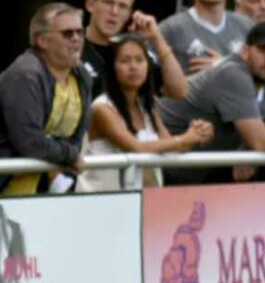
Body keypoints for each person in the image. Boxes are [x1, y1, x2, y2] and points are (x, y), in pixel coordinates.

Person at [157, 21, 265, 184]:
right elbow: (261, 141)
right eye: (263, 50)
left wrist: (247, 149)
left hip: (193, 171)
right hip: (161, 163)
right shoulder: (233, 73)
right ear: (245, 51)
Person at [77, 35, 214, 191]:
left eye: (140, 60)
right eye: (125, 61)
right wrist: (184, 139)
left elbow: (172, 147)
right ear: (111, 67)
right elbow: (138, 148)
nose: (133, 67)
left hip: (142, 202)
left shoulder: (146, 108)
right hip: (100, 201)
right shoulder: (101, 108)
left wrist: (197, 132)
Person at [0, 3, 91, 195]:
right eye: (67, 33)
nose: (76, 38)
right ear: (42, 41)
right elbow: (30, 142)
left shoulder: (82, 75)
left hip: (46, 187)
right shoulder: (25, 75)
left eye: (80, 32)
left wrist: (67, 156)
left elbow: (77, 137)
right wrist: (70, 156)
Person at [81, 0, 186, 98]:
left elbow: (179, 92)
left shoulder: (133, 49)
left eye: (122, 6)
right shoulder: (72, 44)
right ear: (90, 5)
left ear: (129, 13)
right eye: (108, 3)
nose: (114, 11)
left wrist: (157, 38)